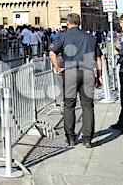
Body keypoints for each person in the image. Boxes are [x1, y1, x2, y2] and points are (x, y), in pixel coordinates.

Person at [49, 13, 102, 148]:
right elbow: (98, 58)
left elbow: (52, 53)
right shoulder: (91, 38)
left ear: (68, 23)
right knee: (88, 106)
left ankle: (71, 137)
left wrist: (58, 68)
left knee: (69, 105)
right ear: (79, 23)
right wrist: (99, 76)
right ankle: (87, 139)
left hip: (71, 72)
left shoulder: (63, 37)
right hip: (88, 72)